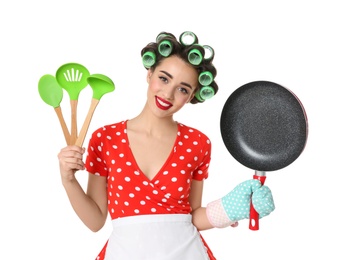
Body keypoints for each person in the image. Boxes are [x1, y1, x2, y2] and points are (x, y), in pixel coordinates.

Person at [57, 31, 275, 260]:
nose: (168, 93)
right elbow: (95, 221)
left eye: (183, 89)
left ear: (192, 96)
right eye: (163, 78)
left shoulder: (197, 143)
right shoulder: (105, 138)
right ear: (149, 73)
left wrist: (230, 209)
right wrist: (68, 179)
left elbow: (190, 216)